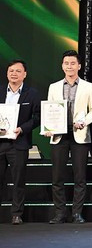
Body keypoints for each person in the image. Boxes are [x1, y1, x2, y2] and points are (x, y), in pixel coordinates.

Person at [44, 50, 92, 224]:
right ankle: (60, 213)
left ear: (79, 66)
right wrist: (48, 127)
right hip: (59, 134)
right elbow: (49, 109)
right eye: (66, 63)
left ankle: (76, 213)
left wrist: (84, 122)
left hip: (80, 134)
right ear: (62, 66)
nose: (69, 66)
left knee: (79, 177)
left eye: (73, 63)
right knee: (57, 176)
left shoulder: (89, 87)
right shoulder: (54, 87)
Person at [0, 59, 41, 225]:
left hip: (19, 143)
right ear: (7, 73)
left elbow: (37, 117)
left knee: (18, 180)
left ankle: (16, 213)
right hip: (0, 142)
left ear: (25, 74)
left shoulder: (32, 94)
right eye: (11, 71)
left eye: (18, 71)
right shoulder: (1, 91)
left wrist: (22, 129)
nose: (14, 74)